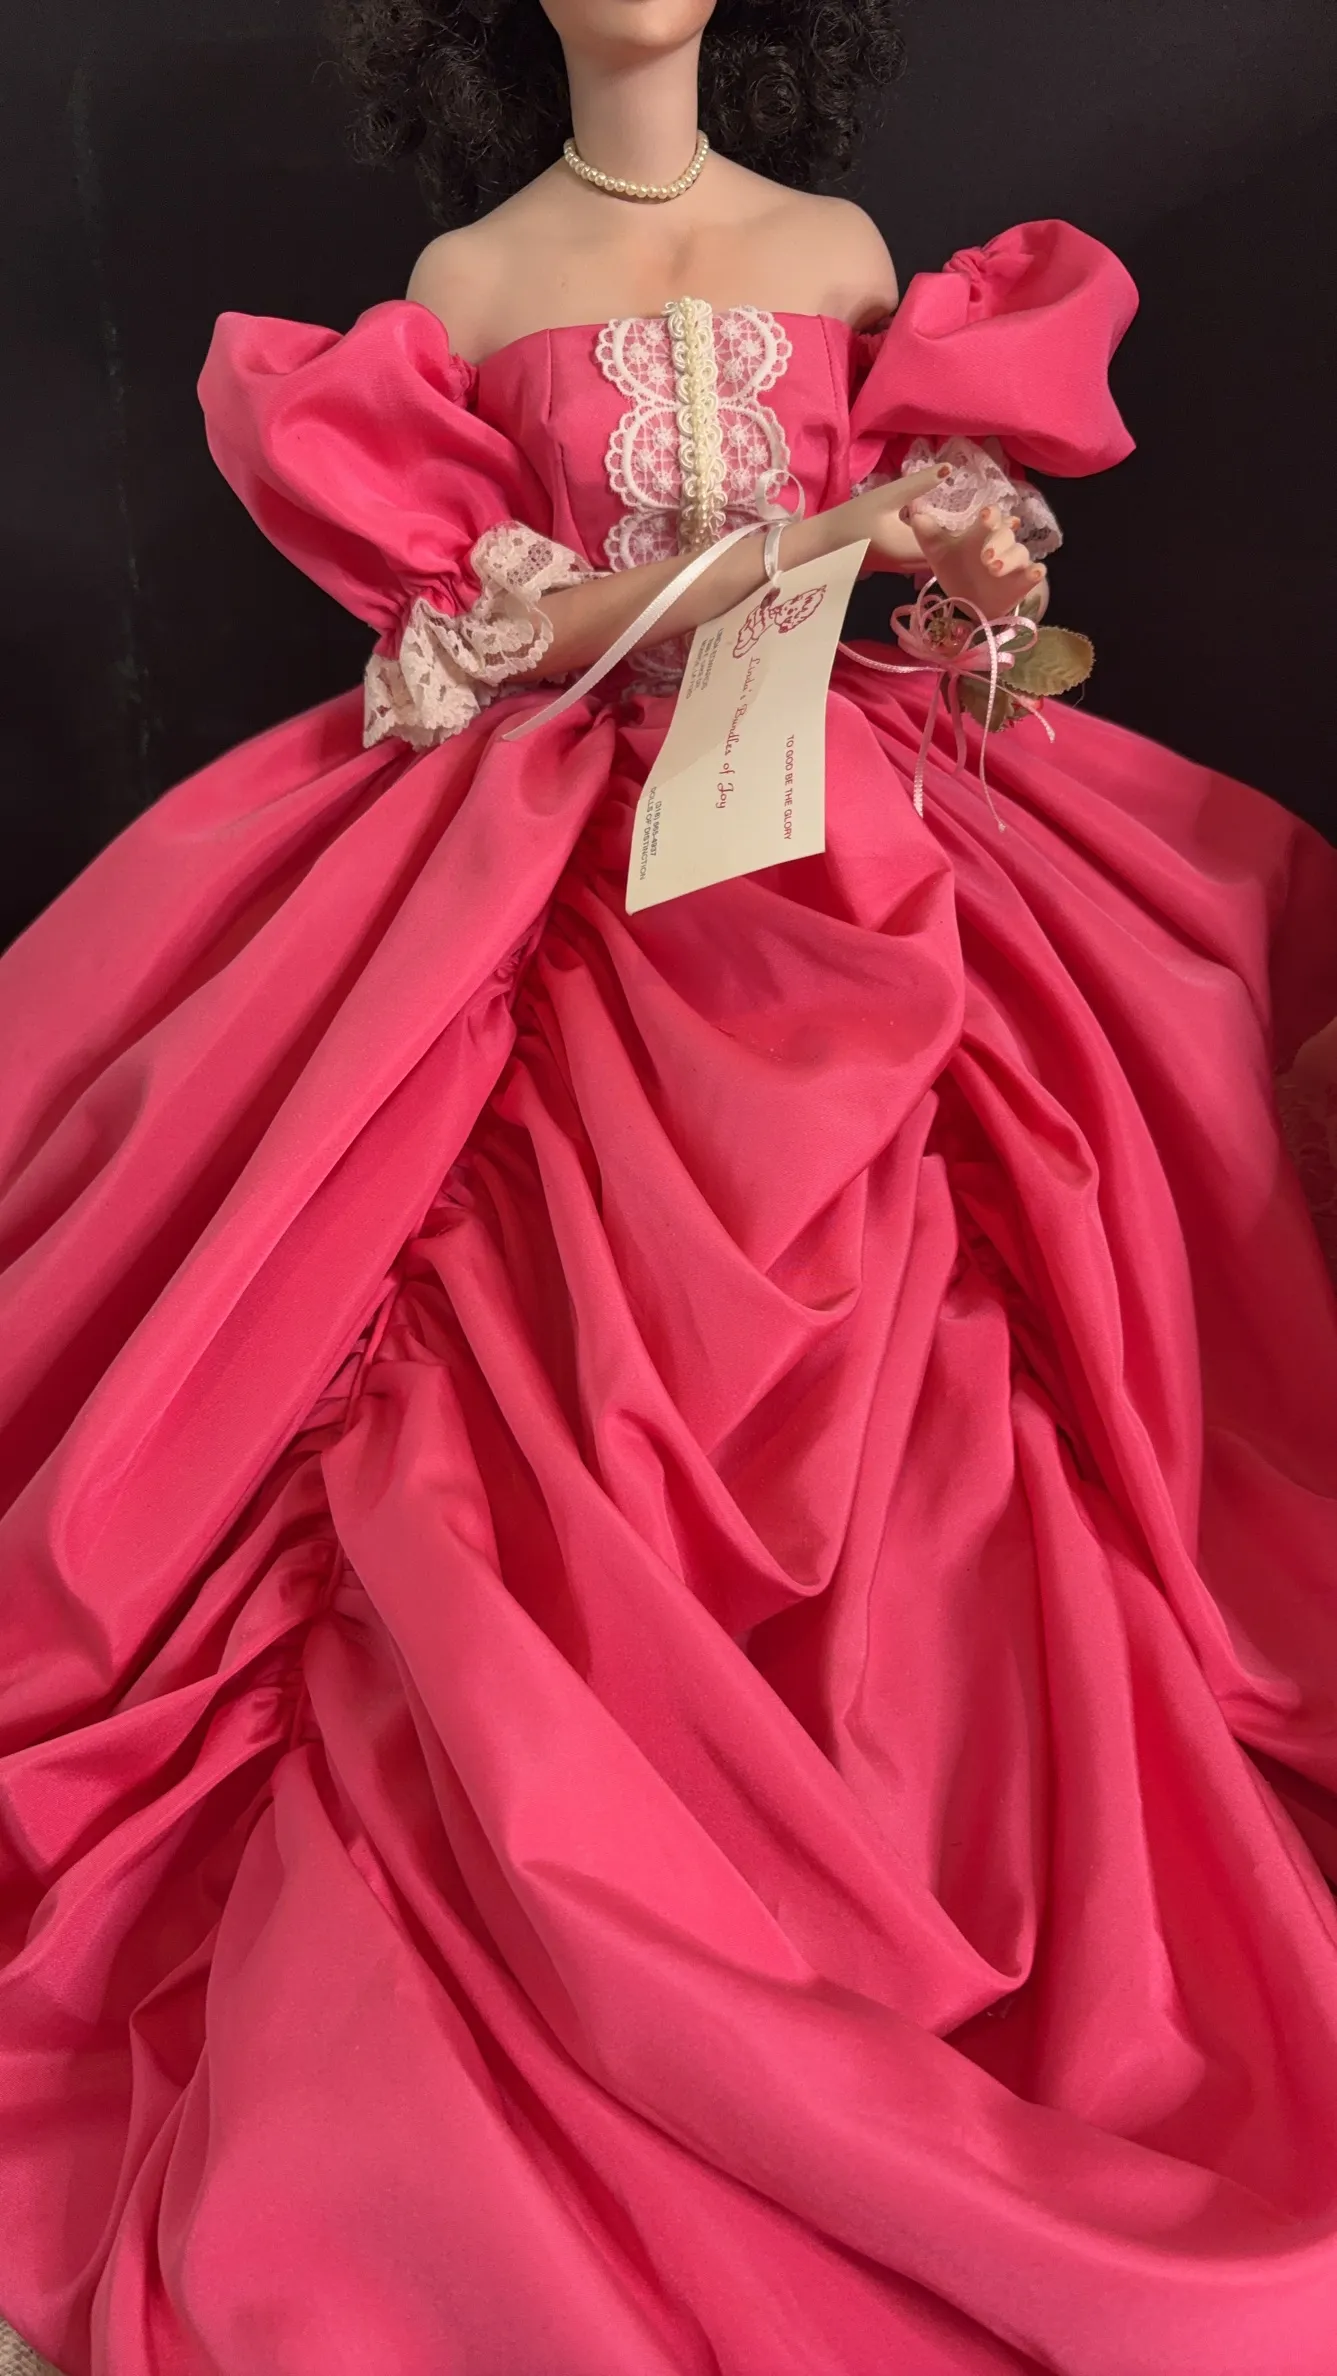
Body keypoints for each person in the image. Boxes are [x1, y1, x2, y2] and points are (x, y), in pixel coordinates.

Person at [2, 2, 1336, 2370]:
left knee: (983, 1326)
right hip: (565, 878)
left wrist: (960, 586)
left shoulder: (840, 248)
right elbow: (481, 643)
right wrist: (818, 536)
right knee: (460, 1362)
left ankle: (955, 1938)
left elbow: (942, 618)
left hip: (860, 853)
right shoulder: (470, 277)